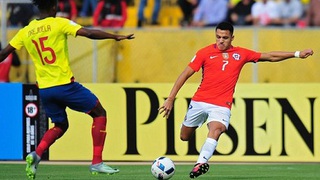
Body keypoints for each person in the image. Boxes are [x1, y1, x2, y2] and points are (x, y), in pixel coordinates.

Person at [158, 21, 313, 179]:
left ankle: (200, 163)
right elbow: (185, 74)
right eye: (218, 37)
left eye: (225, 37)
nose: (221, 41)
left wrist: (297, 54)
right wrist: (170, 98)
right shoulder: (204, 53)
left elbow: (270, 56)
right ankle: (200, 153)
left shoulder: (242, 53)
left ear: (232, 37)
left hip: (221, 104)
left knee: (216, 129)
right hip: (199, 101)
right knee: (184, 136)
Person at [0, 0, 134, 179]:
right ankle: (97, 163)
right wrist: (114, 36)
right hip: (65, 85)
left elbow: (2, 55)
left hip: (45, 89)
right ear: (54, 7)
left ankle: (36, 154)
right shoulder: (59, 23)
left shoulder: (26, 31)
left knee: (61, 125)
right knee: (100, 113)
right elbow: (89, 33)